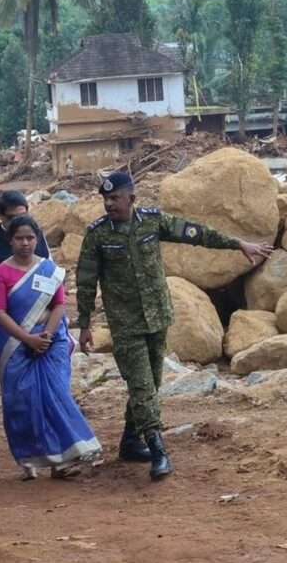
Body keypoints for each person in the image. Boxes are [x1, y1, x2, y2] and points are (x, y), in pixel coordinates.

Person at [76, 171, 273, 481]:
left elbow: (195, 233)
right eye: (106, 199)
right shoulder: (98, 234)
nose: (109, 204)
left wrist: (237, 244)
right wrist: (85, 323)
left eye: (115, 198)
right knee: (142, 385)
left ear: (132, 198)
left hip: (157, 317)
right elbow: (85, 280)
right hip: (125, 324)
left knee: (150, 385)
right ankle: (158, 449)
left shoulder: (153, 222)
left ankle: (130, 441)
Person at [0, 216, 100, 480]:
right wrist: (28, 340)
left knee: (56, 395)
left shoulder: (49, 269)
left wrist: (47, 336)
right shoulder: (0, 274)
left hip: (51, 343)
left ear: (37, 239)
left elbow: (59, 305)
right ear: (10, 240)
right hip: (16, 345)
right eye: (19, 238)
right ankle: (29, 459)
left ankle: (63, 458)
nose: (25, 243)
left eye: (30, 238)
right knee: (22, 402)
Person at [0, 191, 51, 318]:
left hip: (44, 316)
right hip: (8, 321)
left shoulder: (38, 237)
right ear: (0, 216)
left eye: (23, 216)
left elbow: (51, 273)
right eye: (12, 218)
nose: (19, 222)